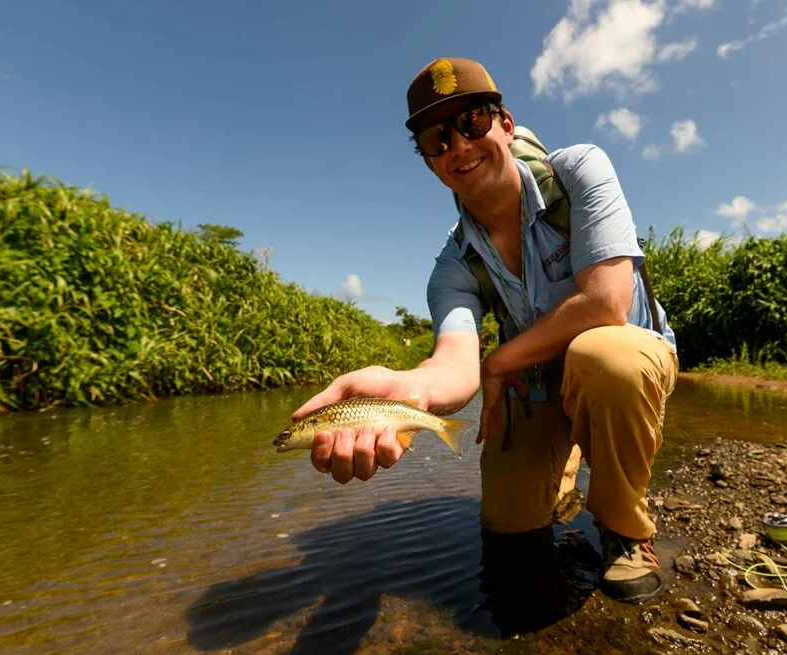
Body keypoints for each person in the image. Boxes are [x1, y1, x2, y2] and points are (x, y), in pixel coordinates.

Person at [290, 57, 678, 604]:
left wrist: (497, 362)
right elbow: (452, 362)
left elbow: (606, 301)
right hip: (538, 382)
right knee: (508, 531)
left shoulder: (579, 170)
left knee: (604, 355)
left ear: (505, 123)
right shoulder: (453, 265)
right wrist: (410, 393)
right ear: (429, 161)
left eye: (472, 122)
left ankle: (625, 527)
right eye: (436, 139)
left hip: (625, 362)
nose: (459, 147)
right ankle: (562, 458)